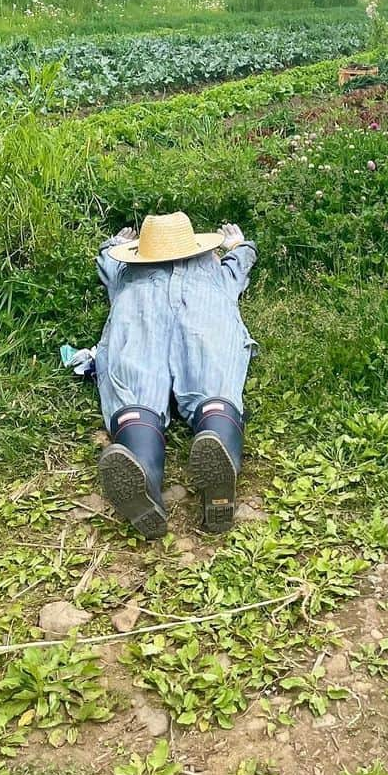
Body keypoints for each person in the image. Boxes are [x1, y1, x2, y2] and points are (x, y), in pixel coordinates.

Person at [91, 211, 257, 538]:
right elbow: (240, 264)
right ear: (198, 248)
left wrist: (116, 243)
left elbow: (106, 261)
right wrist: (238, 245)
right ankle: (219, 451)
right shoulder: (212, 269)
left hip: (139, 313)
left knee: (136, 380)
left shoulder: (127, 272)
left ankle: (144, 469)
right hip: (202, 308)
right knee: (213, 375)